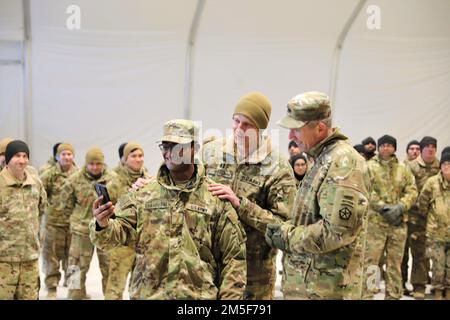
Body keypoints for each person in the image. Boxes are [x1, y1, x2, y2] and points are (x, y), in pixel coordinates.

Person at [90, 119, 247, 299]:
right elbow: (112, 237)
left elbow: (234, 258)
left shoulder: (215, 197)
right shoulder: (143, 194)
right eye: (165, 146)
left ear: (194, 148)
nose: (169, 153)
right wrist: (102, 224)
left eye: (177, 146)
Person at [265, 91, 370, 299]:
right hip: (310, 286)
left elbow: (337, 232)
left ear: (320, 128)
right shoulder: (321, 158)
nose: (290, 137)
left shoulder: (342, 163)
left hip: (326, 290)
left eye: (296, 130)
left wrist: (287, 236)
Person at [202, 92, 296, 300]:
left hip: (253, 274)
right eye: (236, 121)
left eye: (247, 125)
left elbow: (284, 225)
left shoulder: (277, 168)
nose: (239, 129)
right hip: (209, 267)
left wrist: (240, 204)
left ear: (260, 128)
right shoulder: (211, 153)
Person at [362, 135, 417, 300]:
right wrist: (383, 208)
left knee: (395, 263)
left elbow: (412, 190)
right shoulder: (369, 167)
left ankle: (393, 295)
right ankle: (368, 294)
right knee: (371, 262)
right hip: (375, 223)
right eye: (383, 145)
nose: (386, 148)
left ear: (394, 148)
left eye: (389, 145)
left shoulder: (403, 168)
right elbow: (365, 189)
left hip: (398, 224)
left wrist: (400, 207)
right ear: (378, 148)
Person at [59, 147, 115, 299]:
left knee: (109, 267)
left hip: (106, 230)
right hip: (81, 231)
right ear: (86, 163)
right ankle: (74, 295)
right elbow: (65, 205)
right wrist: (74, 221)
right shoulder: (75, 179)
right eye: (91, 164)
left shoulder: (113, 179)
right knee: (75, 266)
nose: (95, 167)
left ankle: (111, 296)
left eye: (98, 164)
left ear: (103, 164)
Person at [0, 140, 47, 299]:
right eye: (16, 156)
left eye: (25, 156)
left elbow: (42, 210)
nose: (22, 160)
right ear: (7, 159)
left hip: (30, 259)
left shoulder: (35, 184)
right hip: (4, 260)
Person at [104, 142, 150, 300]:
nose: (138, 159)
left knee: (139, 290)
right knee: (115, 289)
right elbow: (105, 214)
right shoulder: (114, 183)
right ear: (124, 159)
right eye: (133, 156)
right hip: (122, 244)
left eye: (140, 155)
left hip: (142, 243)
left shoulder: (149, 180)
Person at [402, 136, 440, 299]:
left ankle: (429, 285)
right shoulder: (411, 167)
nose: (430, 149)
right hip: (413, 217)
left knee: (429, 253)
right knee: (411, 252)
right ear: (422, 149)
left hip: (434, 217)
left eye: (433, 146)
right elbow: (407, 190)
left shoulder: (441, 167)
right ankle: (410, 284)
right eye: (427, 146)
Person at [39, 143, 78, 299]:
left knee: (74, 257)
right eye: (64, 154)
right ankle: (51, 288)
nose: (67, 157)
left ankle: (75, 289)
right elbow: (41, 195)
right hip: (53, 224)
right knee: (51, 257)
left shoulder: (79, 174)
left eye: (69, 154)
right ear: (57, 156)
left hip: (73, 224)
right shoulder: (49, 174)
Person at [419, 150, 450, 300]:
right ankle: (438, 291)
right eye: (445, 164)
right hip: (436, 233)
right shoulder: (432, 182)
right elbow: (422, 203)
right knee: (438, 264)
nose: (447, 167)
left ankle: (448, 291)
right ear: (441, 166)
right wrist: (432, 220)